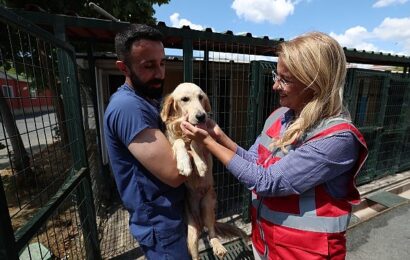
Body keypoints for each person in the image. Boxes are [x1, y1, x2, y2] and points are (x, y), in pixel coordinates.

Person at [181, 31, 368, 260]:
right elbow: (255, 162)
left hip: (303, 255)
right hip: (265, 244)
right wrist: (219, 136)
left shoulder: (336, 139)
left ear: (314, 83)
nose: (274, 86)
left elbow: (266, 181)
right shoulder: (280, 117)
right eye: (275, 75)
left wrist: (208, 142)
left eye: (285, 79)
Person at [103, 24, 190, 259]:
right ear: (123, 67)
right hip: (160, 224)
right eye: (149, 66)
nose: (160, 73)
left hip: (171, 215)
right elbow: (176, 172)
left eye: (162, 63)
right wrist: (204, 141)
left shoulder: (148, 99)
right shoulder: (128, 107)